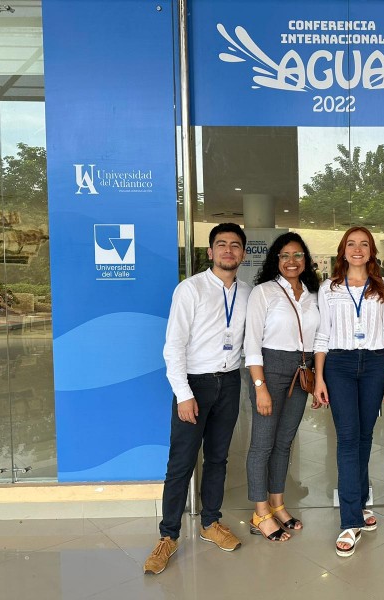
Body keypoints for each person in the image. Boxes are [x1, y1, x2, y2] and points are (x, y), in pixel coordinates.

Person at [144, 223, 251, 575]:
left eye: (235, 245)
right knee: (181, 463)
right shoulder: (190, 290)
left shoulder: (247, 292)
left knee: (218, 458)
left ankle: (210, 523)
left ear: (243, 253)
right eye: (221, 245)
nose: (228, 251)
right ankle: (168, 536)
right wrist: (183, 394)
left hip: (230, 383)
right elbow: (173, 346)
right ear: (210, 252)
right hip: (196, 385)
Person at [312, 226, 384, 557]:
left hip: (376, 365)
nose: (358, 249)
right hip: (339, 366)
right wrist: (319, 378)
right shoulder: (329, 288)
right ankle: (350, 521)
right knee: (348, 438)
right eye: (352, 244)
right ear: (343, 251)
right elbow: (322, 335)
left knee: (365, 437)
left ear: (372, 251)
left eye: (364, 244)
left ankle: (360, 504)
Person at [244, 233, 320, 542]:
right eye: (285, 255)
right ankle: (260, 511)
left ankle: (277, 503)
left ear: (306, 260)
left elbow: (319, 340)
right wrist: (259, 385)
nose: (292, 261)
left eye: (298, 255)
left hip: (302, 371)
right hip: (270, 369)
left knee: (284, 443)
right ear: (276, 259)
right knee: (262, 443)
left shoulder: (314, 294)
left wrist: (317, 378)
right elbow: (251, 342)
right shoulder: (264, 292)